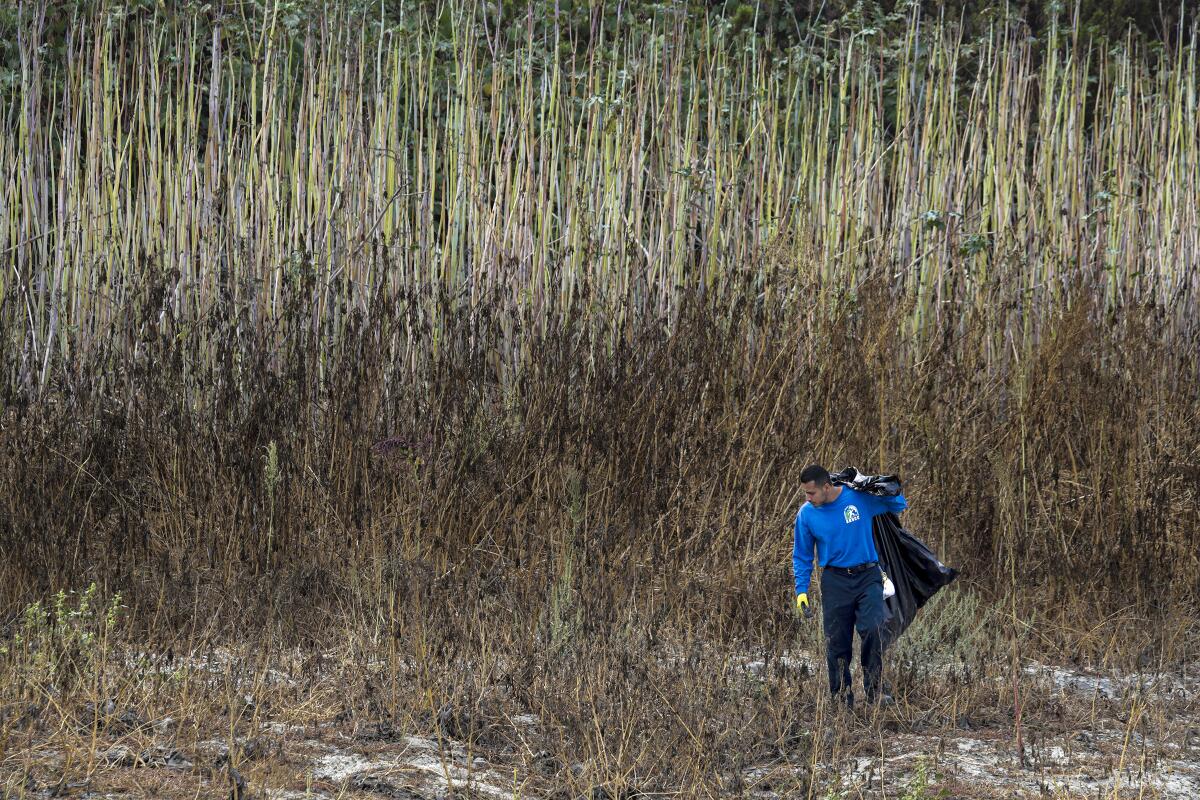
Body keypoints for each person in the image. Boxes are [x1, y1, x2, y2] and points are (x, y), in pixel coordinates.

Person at [793, 464, 907, 708]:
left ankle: (875, 691)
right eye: (805, 493)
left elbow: (899, 505)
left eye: (811, 493)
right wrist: (801, 591)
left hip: (868, 577)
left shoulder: (857, 498)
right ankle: (841, 696)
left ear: (827, 487)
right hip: (835, 581)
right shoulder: (806, 514)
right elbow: (802, 555)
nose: (807, 498)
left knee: (874, 630)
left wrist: (875, 485)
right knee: (837, 641)